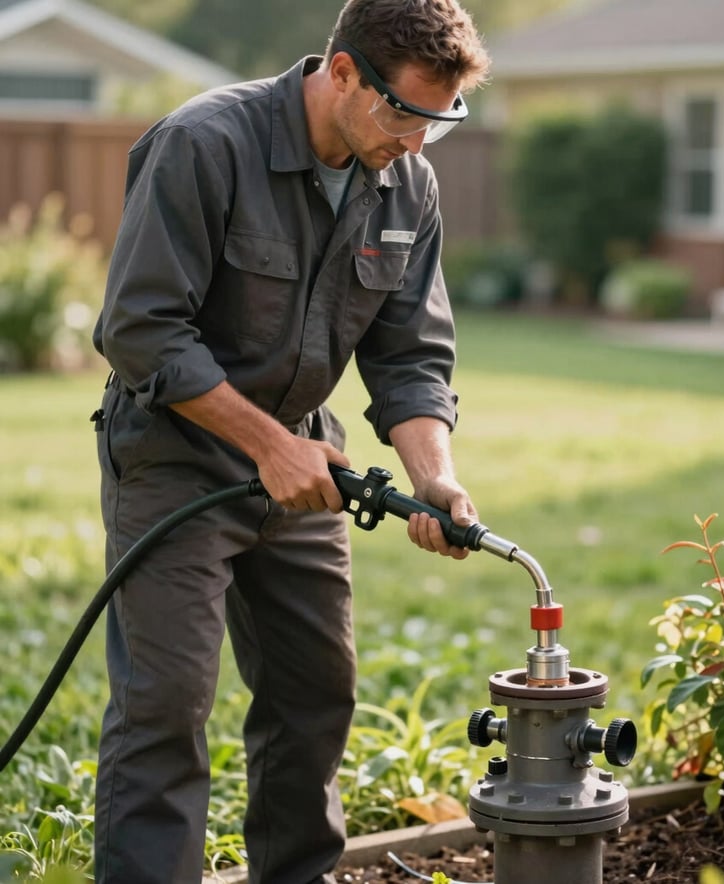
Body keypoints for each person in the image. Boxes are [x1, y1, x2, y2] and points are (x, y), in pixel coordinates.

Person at [91, 0, 490, 881]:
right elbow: (140, 330)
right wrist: (267, 447)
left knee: (315, 694)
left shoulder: (405, 184)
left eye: (440, 123)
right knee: (167, 707)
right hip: (175, 458)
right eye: (405, 114)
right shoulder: (205, 144)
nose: (417, 146)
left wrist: (435, 474)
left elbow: (411, 356)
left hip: (309, 463)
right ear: (342, 72)